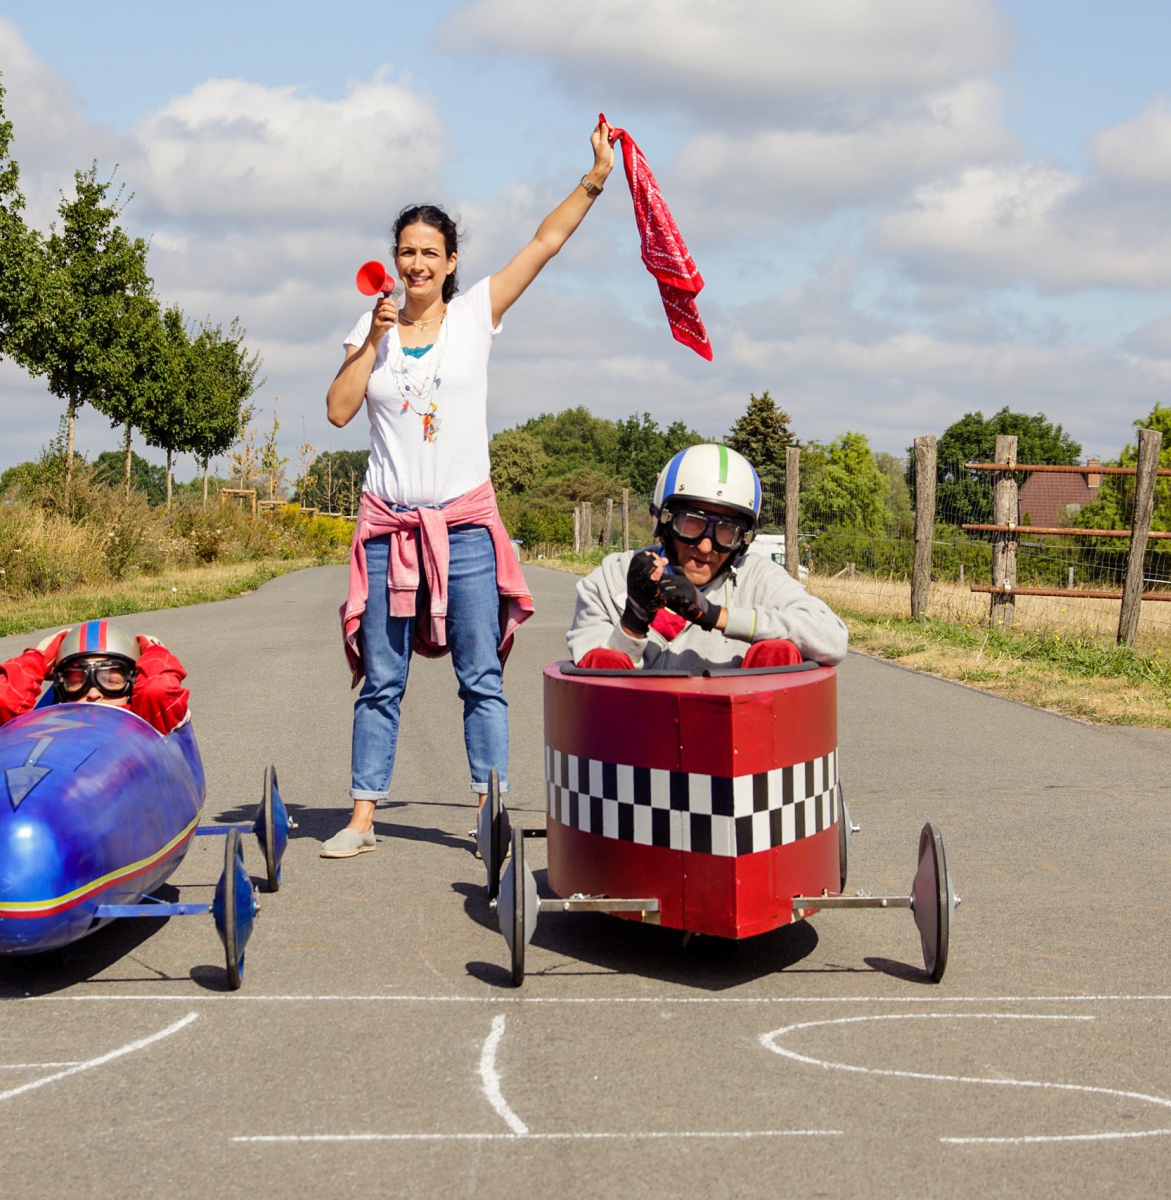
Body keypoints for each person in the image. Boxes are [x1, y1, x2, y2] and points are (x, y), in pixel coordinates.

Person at [321, 119, 620, 858]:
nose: (417, 263)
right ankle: (362, 817)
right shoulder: (371, 326)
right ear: (393, 261)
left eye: (430, 252)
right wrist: (373, 339)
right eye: (407, 251)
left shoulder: (476, 313)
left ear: (451, 261)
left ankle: (489, 813)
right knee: (381, 680)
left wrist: (594, 178)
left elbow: (545, 243)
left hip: (464, 530)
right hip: (391, 529)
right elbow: (337, 411)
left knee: (480, 675)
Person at [569, 445, 848, 671]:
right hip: (634, 723)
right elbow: (591, 683)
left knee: (778, 651)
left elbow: (833, 638)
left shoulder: (758, 577)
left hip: (737, 724)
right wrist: (633, 622)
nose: (705, 546)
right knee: (602, 660)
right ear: (663, 521)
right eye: (691, 523)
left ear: (743, 540)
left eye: (726, 532)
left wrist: (717, 615)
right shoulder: (612, 577)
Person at [0, 618, 190, 735]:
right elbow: (1, 702)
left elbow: (158, 691)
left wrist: (154, 652)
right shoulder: (48, 727)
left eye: (111, 681)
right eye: (77, 681)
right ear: (62, 686)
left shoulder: (150, 721)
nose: (93, 694)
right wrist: (37, 657)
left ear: (132, 683)